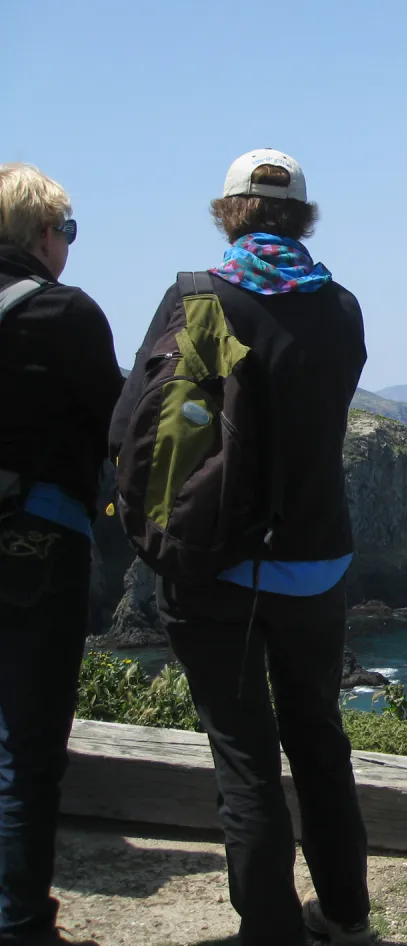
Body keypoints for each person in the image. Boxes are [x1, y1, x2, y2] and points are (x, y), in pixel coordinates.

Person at [110, 150, 374, 946]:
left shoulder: (196, 297)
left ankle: (268, 931)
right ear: (303, 214)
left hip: (214, 562)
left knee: (245, 759)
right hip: (314, 560)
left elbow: (135, 423)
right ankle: (347, 916)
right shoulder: (342, 307)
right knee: (319, 738)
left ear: (229, 212)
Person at [0, 164, 123, 945]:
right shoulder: (64, 313)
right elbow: (119, 424)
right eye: (66, 231)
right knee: (26, 747)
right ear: (42, 235)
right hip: (34, 542)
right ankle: (20, 926)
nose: (68, 246)